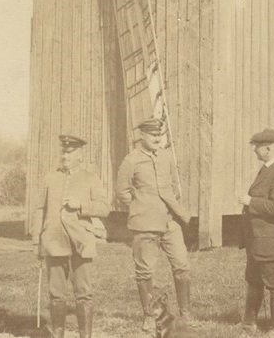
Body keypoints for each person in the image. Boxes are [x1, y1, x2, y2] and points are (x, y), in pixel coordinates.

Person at [116, 118, 192, 334]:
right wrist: (141, 207)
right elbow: (122, 192)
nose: (157, 139)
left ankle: (185, 313)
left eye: (159, 135)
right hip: (145, 224)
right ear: (142, 135)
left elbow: (173, 186)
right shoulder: (131, 160)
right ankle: (149, 316)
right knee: (145, 271)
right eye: (153, 135)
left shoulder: (166, 157)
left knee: (182, 265)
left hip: (169, 221)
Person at [31, 134, 110, 338]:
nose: (65, 156)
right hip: (53, 241)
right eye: (63, 152)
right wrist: (37, 241)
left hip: (81, 243)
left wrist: (81, 205)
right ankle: (58, 334)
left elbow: (104, 208)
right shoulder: (50, 178)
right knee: (56, 293)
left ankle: (85, 335)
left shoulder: (90, 179)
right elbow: (39, 209)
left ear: (80, 155)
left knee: (84, 293)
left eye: (70, 152)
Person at [238, 128, 274, 338]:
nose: (255, 151)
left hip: (270, 241)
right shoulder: (267, 170)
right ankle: (249, 323)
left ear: (268, 149)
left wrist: (250, 201)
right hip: (258, 240)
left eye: (257, 147)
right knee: (254, 280)